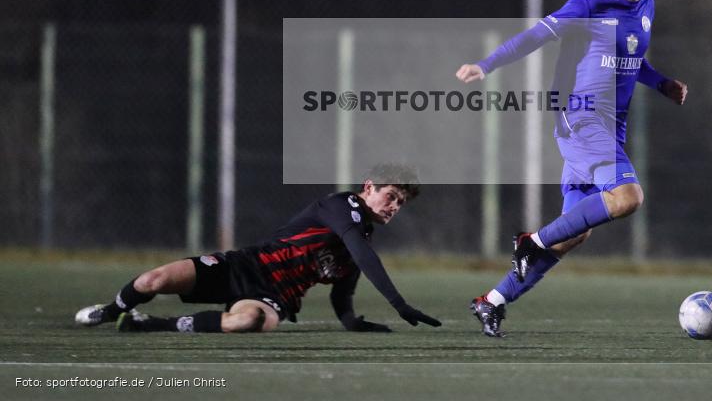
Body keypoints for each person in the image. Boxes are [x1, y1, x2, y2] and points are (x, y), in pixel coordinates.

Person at [456, 0, 687, 337]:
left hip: (609, 128)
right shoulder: (589, 3)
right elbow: (536, 36)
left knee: (574, 233)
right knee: (628, 197)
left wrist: (662, 82)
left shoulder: (648, 6)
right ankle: (531, 240)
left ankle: (491, 301)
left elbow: (632, 58)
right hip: (579, 118)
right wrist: (485, 65)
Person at [74, 163, 441, 334]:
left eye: (400, 203)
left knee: (251, 322)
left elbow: (343, 295)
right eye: (391, 196)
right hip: (243, 265)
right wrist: (399, 304)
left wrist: (353, 323)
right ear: (368, 187)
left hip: (274, 295)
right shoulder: (341, 206)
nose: (393, 206)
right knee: (153, 280)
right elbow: (363, 256)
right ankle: (111, 310)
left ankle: (153, 325)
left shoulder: (358, 242)